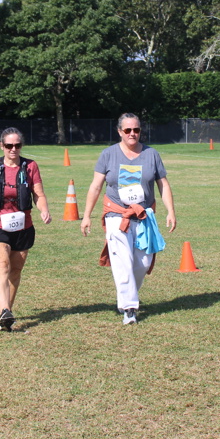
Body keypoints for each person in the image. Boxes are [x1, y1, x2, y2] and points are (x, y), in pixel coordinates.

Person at [81, 113, 176, 324]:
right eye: (128, 130)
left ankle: (127, 296)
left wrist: (170, 211)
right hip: (117, 214)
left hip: (143, 215)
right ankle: (129, 308)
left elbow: (163, 184)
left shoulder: (152, 154)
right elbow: (96, 186)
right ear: (119, 132)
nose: (132, 134)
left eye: (136, 130)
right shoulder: (108, 154)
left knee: (143, 263)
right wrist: (87, 215)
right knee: (122, 261)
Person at [0, 128, 51, 331]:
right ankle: (4, 309)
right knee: (2, 265)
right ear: (1, 146)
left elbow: (38, 194)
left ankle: (7, 315)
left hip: (23, 226)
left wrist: (44, 210)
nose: (13, 149)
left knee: (16, 269)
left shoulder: (30, 166)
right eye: (9, 145)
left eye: (17, 145)